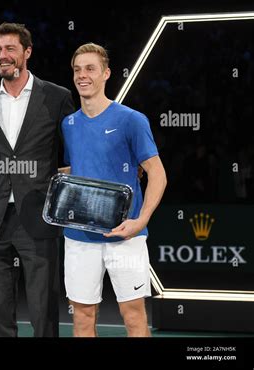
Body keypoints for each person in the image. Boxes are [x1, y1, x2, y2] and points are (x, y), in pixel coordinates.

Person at [0, 22, 74, 337]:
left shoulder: (56, 97)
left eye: (10, 48)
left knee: (44, 313)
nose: (3, 55)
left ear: (27, 52)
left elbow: (75, 155)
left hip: (39, 217)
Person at [61, 43, 167, 337]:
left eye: (90, 69)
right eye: (77, 70)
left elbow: (158, 174)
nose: (83, 75)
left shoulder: (131, 120)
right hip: (79, 238)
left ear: (106, 73)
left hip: (126, 235)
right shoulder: (68, 124)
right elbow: (79, 170)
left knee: (133, 316)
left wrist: (141, 221)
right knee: (82, 317)